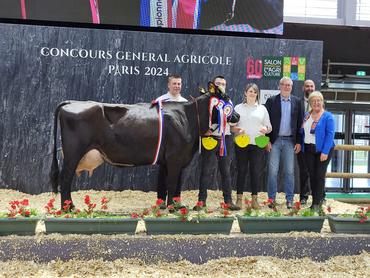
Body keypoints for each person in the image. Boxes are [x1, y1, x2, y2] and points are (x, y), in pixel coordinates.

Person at [195, 75, 239, 211]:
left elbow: (234, 119)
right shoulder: (206, 99)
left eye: (223, 84)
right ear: (213, 85)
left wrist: (231, 116)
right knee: (205, 171)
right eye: (218, 83)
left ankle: (228, 201)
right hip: (209, 139)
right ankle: (201, 202)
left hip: (224, 139)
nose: (221, 86)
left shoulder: (228, 100)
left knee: (225, 171)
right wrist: (204, 130)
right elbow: (199, 117)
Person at [264, 77, 303, 209]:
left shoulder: (298, 102)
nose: (287, 87)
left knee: (289, 172)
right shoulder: (271, 101)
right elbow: (266, 121)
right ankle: (271, 199)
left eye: (289, 85)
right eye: (284, 85)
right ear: (279, 86)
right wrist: (267, 140)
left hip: (290, 141)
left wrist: (298, 142)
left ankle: (290, 199)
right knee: (272, 172)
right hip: (274, 141)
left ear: (292, 87)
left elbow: (300, 125)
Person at [233, 83, 272, 209]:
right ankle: (239, 199)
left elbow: (269, 127)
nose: (252, 93)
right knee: (242, 171)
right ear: (245, 93)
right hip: (242, 143)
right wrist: (237, 129)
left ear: (257, 94)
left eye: (255, 92)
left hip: (257, 144)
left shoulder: (262, 109)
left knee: (256, 171)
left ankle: (255, 199)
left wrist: (265, 129)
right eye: (250, 91)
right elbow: (231, 126)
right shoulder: (238, 108)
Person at [156, 75, 187, 206]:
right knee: (163, 171)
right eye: (174, 83)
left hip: (180, 146)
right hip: (164, 145)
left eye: (179, 84)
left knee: (178, 172)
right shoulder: (160, 100)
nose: (177, 86)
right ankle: (161, 200)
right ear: (169, 85)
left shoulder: (185, 102)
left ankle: (176, 200)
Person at [301, 91, 335, 211]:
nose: (316, 103)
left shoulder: (328, 116)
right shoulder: (307, 115)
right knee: (312, 175)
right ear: (310, 103)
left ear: (322, 102)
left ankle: (316, 203)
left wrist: (325, 152)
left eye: (318, 100)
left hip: (323, 150)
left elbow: (330, 135)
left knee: (319, 176)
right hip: (309, 149)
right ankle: (316, 200)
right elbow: (303, 131)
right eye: (313, 101)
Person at [298, 79, 315, 205]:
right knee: (303, 170)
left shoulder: (319, 104)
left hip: (316, 143)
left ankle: (319, 195)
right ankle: (303, 196)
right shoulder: (298, 103)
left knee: (318, 171)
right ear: (303, 88)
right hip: (302, 142)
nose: (309, 88)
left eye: (311, 86)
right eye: (307, 86)